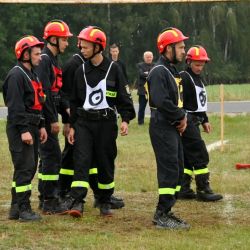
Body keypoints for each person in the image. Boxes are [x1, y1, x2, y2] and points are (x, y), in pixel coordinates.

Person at [64, 26, 135, 218]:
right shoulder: (80, 71)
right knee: (81, 160)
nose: (82, 50)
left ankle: (104, 201)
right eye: (81, 47)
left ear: (98, 47)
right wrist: (71, 126)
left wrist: (126, 119)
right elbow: (75, 101)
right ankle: (78, 201)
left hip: (106, 124)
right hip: (84, 123)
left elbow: (123, 97)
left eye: (86, 47)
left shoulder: (115, 70)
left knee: (105, 161)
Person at [147, 27, 190, 229]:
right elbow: (161, 100)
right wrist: (180, 116)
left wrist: (182, 118)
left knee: (178, 167)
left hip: (171, 126)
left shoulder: (171, 70)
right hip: (162, 126)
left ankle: (167, 210)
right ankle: (161, 214)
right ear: (168, 48)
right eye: (180, 47)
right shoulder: (158, 71)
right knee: (169, 169)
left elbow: (176, 101)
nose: (184, 51)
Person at [3, 35, 47, 221]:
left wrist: (42, 125)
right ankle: (24, 209)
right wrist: (24, 130)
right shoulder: (16, 75)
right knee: (25, 168)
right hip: (21, 127)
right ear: (25, 55)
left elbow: (38, 103)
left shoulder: (32, 74)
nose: (40, 57)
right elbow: (15, 107)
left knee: (27, 168)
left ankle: (15, 208)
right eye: (37, 54)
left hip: (33, 125)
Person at [35, 19, 73, 215]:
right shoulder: (44, 60)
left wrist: (67, 118)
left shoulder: (54, 60)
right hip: (43, 118)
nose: (67, 43)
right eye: (64, 39)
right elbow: (45, 94)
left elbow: (58, 93)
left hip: (48, 116)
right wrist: (51, 120)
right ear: (53, 39)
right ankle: (50, 200)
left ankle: (45, 197)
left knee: (49, 157)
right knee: (52, 157)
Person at [179, 45, 223, 202]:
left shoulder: (198, 78)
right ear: (189, 61)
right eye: (197, 64)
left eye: (202, 64)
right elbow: (181, 102)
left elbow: (198, 103)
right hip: (186, 121)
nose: (199, 67)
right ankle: (203, 189)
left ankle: (183, 189)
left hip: (194, 120)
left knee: (187, 156)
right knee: (200, 153)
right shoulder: (184, 77)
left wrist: (205, 120)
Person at [137, 51, 155, 125]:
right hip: (142, 90)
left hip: (153, 90)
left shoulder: (156, 65)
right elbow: (141, 74)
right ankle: (140, 122)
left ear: (152, 57)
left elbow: (156, 74)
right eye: (147, 57)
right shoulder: (139, 65)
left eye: (150, 57)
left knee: (153, 108)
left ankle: (153, 121)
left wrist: (147, 73)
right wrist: (150, 73)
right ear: (144, 58)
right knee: (142, 107)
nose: (149, 58)